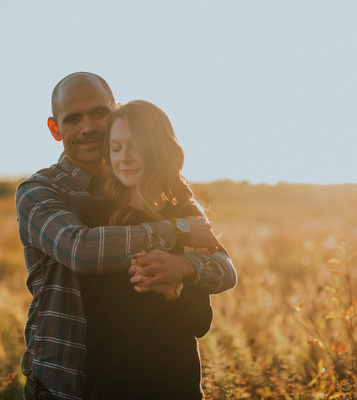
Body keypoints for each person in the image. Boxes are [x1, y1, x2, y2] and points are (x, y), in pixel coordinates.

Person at [15, 72, 237, 400]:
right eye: (73, 118)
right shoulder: (40, 191)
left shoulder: (161, 195)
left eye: (98, 113)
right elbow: (82, 249)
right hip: (63, 382)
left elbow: (221, 265)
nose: (88, 127)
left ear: (115, 113)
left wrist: (183, 270)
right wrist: (177, 232)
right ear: (55, 129)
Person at [80, 100, 218, 399]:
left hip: (180, 385)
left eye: (134, 146)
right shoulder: (98, 218)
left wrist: (173, 285)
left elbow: (200, 321)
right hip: (116, 385)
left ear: (157, 148)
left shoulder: (184, 214)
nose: (124, 158)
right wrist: (178, 280)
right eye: (115, 148)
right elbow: (129, 317)